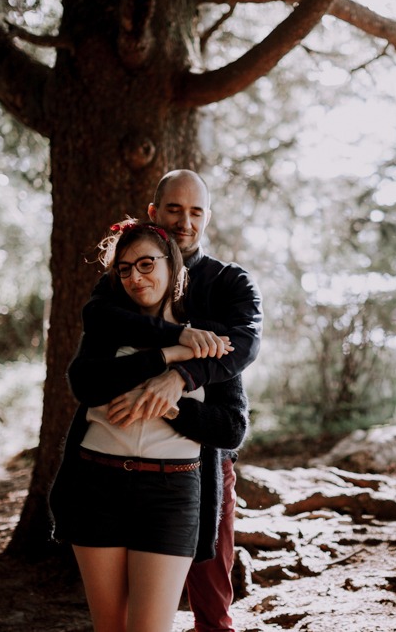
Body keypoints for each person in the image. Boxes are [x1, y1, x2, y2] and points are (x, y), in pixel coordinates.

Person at [81, 170, 263, 632]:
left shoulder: (229, 282)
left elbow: (241, 345)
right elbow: (99, 320)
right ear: (153, 214)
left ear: (207, 217)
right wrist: (178, 340)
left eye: (196, 211)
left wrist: (179, 379)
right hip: (116, 460)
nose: (185, 221)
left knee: (211, 578)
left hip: (204, 449)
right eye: (174, 210)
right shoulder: (125, 276)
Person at [48, 218, 236, 632]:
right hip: (96, 485)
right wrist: (166, 355)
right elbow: (86, 383)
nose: (136, 276)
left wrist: (169, 405)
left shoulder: (211, 338)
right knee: (109, 627)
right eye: (125, 268)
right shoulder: (107, 325)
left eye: (146, 264)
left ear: (171, 264)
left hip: (171, 495)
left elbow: (231, 428)